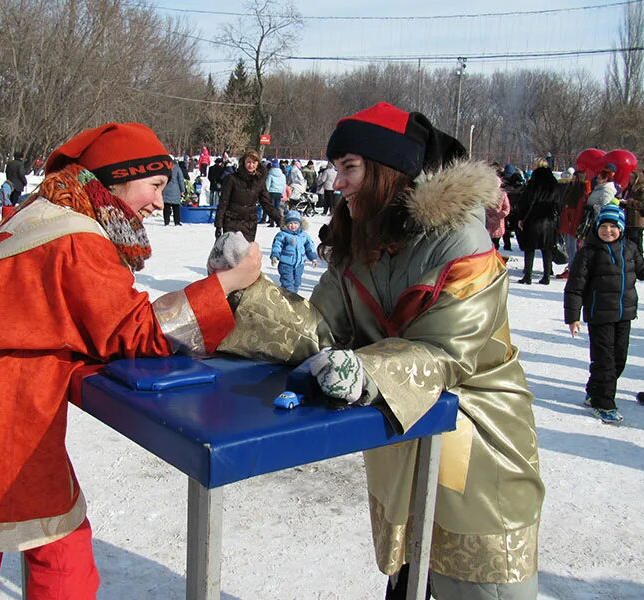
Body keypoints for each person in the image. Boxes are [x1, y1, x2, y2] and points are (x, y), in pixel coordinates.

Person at [0, 122, 262, 599]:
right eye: (153, 185)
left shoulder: (46, 212)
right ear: (117, 179)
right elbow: (135, 331)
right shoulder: (79, 238)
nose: (158, 199)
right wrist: (228, 284)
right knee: (55, 549)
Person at [215, 102, 543, 600]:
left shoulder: (462, 242)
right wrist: (247, 290)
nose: (337, 181)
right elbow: (322, 329)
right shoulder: (359, 241)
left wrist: (365, 369)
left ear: (389, 172)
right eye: (337, 167)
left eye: (350, 167)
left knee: (478, 580)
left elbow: (447, 350)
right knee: (411, 571)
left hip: (477, 433)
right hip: (402, 432)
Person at [564, 204, 644, 424]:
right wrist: (573, 316)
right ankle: (603, 402)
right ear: (596, 228)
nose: (608, 231)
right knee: (605, 361)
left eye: (613, 227)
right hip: (599, 316)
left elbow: (643, 270)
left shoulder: (629, 249)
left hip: (624, 314)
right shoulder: (588, 253)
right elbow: (575, 287)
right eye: (603, 226)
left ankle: (595, 389)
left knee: (619, 360)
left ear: (621, 229)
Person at [214, 149, 281, 242]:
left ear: (258, 164)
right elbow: (223, 202)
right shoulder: (232, 179)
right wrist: (218, 225)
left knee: (246, 254)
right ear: (244, 162)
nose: (251, 165)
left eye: (254, 162)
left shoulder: (259, 181)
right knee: (231, 254)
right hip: (232, 222)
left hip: (249, 224)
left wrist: (279, 219)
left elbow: (266, 203)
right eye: (248, 162)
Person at [516, 166, 560, 284]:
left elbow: (526, 202)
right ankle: (547, 276)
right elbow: (558, 203)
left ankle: (528, 276)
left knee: (529, 248)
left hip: (533, 220)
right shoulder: (554, 185)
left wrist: (521, 218)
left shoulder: (533, 185)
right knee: (547, 249)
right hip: (549, 220)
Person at [269, 209, 318, 293]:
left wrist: (313, 258)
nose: (293, 225)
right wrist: (275, 255)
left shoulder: (304, 235)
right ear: (286, 224)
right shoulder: (283, 235)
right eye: (290, 223)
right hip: (286, 264)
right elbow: (277, 245)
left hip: (299, 264)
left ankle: (292, 298)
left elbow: (309, 247)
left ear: (300, 224)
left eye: (295, 223)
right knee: (288, 283)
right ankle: (289, 299)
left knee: (297, 283)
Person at [555, 170, 588, 279]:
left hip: (573, 222)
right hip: (567, 220)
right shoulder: (570, 188)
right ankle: (570, 267)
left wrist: (575, 224)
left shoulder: (581, 191)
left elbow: (579, 211)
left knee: (573, 247)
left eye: (575, 178)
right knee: (568, 246)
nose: (573, 180)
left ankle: (573, 269)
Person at [619, 170, 644, 255]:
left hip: (636, 221)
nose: (630, 179)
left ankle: (640, 263)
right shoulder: (628, 188)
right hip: (628, 220)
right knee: (629, 244)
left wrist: (629, 202)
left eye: (632, 177)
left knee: (636, 244)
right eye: (630, 177)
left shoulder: (641, 189)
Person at [484, 177, 511, 250]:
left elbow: (506, 209)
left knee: (495, 244)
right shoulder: (485, 194)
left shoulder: (502, 194)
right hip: (486, 222)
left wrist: (497, 217)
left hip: (497, 224)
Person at [162, 160, 185, 226]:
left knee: (166, 206)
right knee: (176, 207)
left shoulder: (165, 168)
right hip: (175, 190)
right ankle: (177, 221)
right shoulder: (177, 169)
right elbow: (181, 180)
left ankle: (166, 221)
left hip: (166, 189)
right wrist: (182, 190)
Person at [264, 158, 286, 226]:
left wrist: (266, 192)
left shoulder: (270, 174)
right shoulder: (282, 175)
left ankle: (271, 222)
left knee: (271, 208)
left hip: (271, 192)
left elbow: (268, 184)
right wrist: (282, 193)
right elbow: (284, 185)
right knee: (277, 208)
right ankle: (278, 221)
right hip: (279, 193)